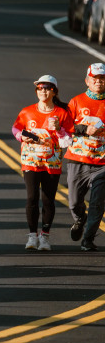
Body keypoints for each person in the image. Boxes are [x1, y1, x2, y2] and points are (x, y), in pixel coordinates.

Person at [12, 75, 73, 251]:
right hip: (31, 161)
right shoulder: (27, 111)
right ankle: (32, 236)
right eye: (39, 88)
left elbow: (68, 141)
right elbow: (16, 128)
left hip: (51, 163)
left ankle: (44, 236)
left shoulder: (62, 113)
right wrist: (21, 136)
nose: (43, 91)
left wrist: (59, 129)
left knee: (48, 200)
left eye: (47, 88)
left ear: (54, 91)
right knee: (32, 198)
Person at [65, 63, 105, 251]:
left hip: (102, 163)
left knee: (97, 203)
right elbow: (65, 127)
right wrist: (84, 129)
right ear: (87, 81)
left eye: (102, 78)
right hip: (78, 160)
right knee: (74, 202)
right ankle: (80, 219)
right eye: (95, 78)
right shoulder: (77, 101)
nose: (98, 82)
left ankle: (88, 239)